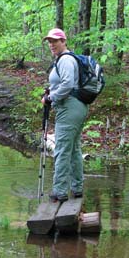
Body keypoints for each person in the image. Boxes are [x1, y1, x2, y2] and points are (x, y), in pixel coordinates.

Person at [42, 28, 88, 203]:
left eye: (55, 41)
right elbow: (63, 83)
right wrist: (51, 91)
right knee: (74, 149)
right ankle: (77, 188)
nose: (52, 44)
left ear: (64, 41)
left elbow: (68, 84)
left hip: (70, 108)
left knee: (61, 148)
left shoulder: (66, 60)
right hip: (74, 107)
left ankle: (60, 191)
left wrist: (51, 97)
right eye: (49, 41)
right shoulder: (62, 60)